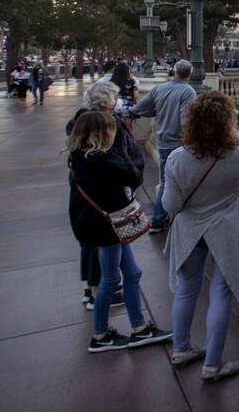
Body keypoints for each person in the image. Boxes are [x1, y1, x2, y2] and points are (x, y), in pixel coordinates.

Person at [163, 91, 239, 382]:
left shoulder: (177, 159)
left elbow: (170, 205)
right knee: (220, 294)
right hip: (227, 233)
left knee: (187, 288)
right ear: (228, 122)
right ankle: (212, 365)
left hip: (190, 232)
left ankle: (182, 349)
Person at [65, 111, 172, 352]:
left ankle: (138, 328)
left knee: (132, 273)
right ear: (101, 134)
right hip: (106, 227)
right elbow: (133, 175)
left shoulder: (79, 157)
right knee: (111, 278)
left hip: (104, 225)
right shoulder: (98, 161)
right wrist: (124, 143)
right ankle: (100, 335)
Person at [67, 81, 146, 310]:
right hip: (107, 205)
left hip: (85, 200)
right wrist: (134, 174)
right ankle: (99, 301)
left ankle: (92, 288)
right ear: (109, 101)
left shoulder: (79, 122)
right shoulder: (109, 126)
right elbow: (126, 165)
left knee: (94, 248)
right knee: (107, 257)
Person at [130, 59, 197, 232]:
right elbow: (185, 120)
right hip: (179, 142)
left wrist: (157, 112)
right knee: (179, 181)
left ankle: (162, 217)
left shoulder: (160, 89)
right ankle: (166, 218)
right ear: (190, 74)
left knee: (166, 180)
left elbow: (138, 109)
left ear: (174, 72)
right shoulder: (188, 91)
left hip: (162, 141)